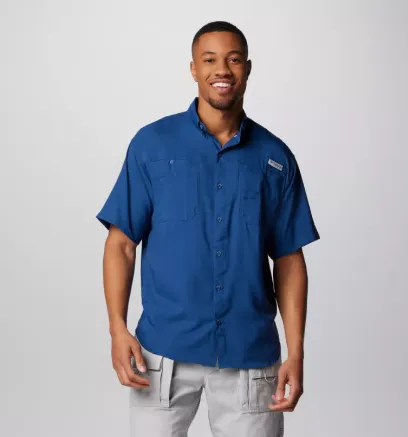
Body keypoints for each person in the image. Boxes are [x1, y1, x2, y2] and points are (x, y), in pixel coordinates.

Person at [96, 20, 320, 437]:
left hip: (250, 359)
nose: (222, 70)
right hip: (161, 354)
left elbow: (289, 259)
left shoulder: (275, 158)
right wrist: (116, 328)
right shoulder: (152, 145)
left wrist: (297, 351)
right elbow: (121, 243)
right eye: (210, 59)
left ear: (247, 69)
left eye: (233, 60)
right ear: (194, 69)